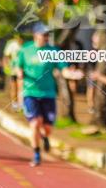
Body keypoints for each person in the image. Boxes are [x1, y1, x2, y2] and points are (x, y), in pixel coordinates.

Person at [17, 23, 83, 167]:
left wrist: (72, 74)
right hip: (30, 92)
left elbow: (63, 69)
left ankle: (45, 137)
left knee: (47, 127)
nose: (46, 37)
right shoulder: (25, 50)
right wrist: (19, 75)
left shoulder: (53, 52)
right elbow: (18, 67)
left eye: (47, 34)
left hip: (48, 93)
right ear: (35, 35)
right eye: (43, 34)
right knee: (35, 123)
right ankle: (36, 153)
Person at [2, 33, 23, 111]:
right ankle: (14, 104)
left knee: (21, 87)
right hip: (13, 70)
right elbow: (6, 56)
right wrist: (6, 66)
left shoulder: (26, 45)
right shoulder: (12, 44)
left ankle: (21, 105)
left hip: (23, 71)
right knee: (14, 88)